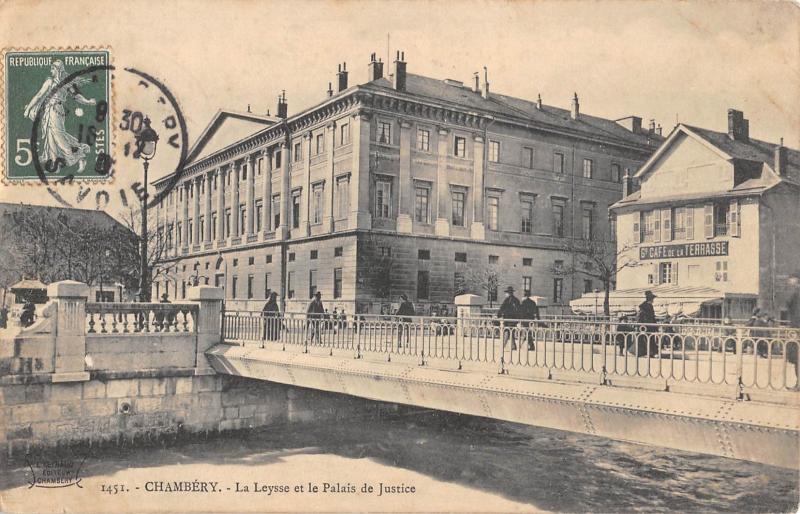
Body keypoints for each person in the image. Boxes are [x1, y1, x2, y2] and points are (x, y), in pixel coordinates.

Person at [23, 60, 96, 173]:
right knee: (50, 137)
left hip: (57, 111)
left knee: (58, 136)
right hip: (48, 111)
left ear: (58, 69)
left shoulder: (66, 83)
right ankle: (54, 164)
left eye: (53, 68)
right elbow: (39, 96)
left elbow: (76, 96)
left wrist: (88, 101)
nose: (51, 71)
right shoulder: (49, 81)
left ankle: (79, 156)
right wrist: (28, 109)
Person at [634, 290, 658, 356]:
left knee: (645, 339)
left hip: (643, 325)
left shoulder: (643, 306)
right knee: (649, 339)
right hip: (648, 325)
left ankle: (646, 352)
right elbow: (651, 317)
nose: (653, 300)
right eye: (652, 299)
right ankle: (650, 352)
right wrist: (655, 326)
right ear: (651, 299)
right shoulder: (649, 306)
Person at [497, 286, 521, 351]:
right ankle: (513, 346)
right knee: (511, 332)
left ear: (508, 293)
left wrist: (498, 315)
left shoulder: (507, 300)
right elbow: (519, 310)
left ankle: (503, 346)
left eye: (506, 293)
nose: (505, 294)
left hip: (508, 319)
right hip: (514, 319)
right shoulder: (516, 300)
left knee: (507, 332)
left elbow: (502, 308)